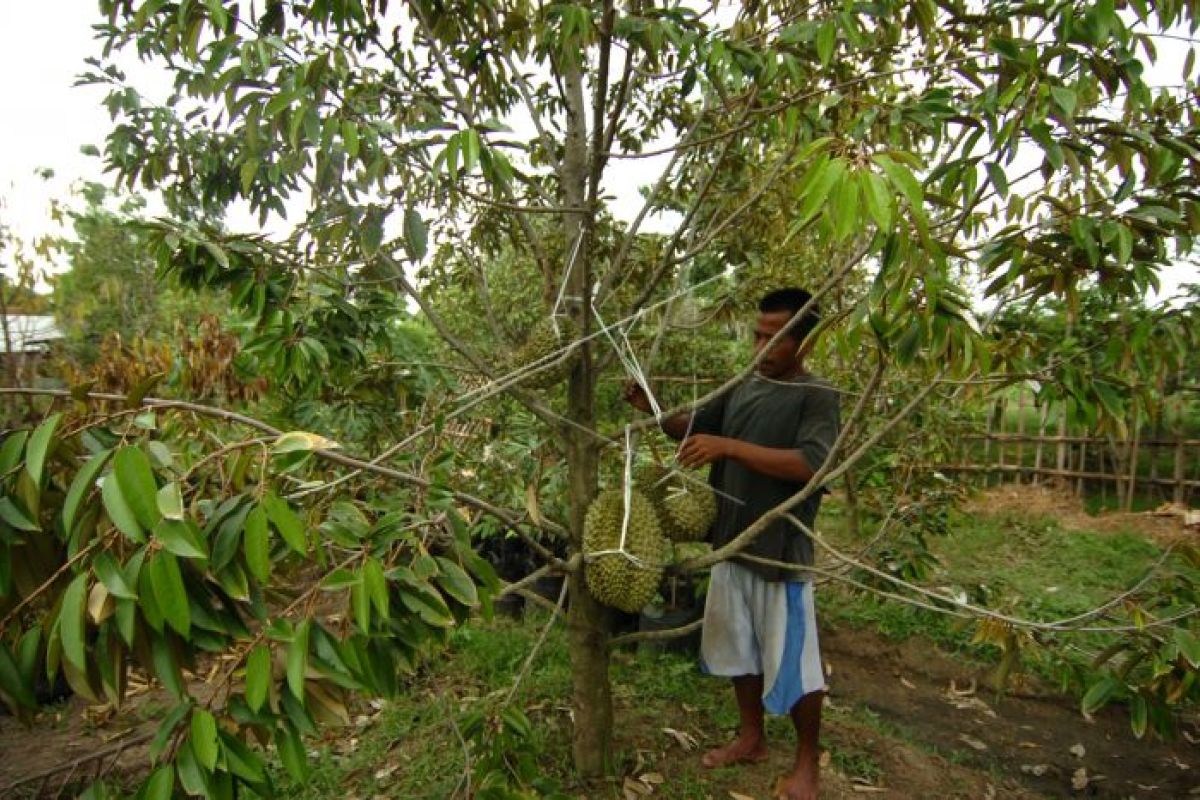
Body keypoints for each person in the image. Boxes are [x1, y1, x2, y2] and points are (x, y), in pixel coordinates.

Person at [624, 287, 839, 800]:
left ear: (805, 343)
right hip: (730, 544)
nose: (760, 347)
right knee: (738, 652)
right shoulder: (744, 385)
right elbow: (693, 427)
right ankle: (751, 738)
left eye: (775, 338)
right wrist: (650, 405)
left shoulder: (818, 395)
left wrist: (730, 448)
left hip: (780, 553)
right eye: (757, 334)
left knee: (796, 665)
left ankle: (807, 763)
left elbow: (812, 464)